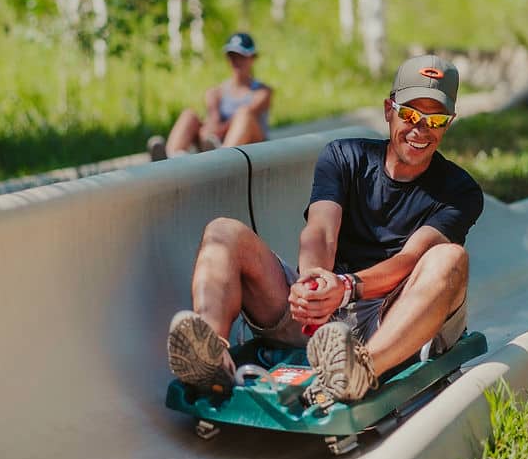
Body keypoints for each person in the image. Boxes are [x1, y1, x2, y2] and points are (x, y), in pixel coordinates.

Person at [166, 54, 483, 403]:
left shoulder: (460, 191)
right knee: (223, 231)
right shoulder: (345, 156)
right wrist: (312, 285)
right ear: (388, 109)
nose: (420, 129)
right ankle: (211, 358)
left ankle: (359, 371)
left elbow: (412, 259)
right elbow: (321, 232)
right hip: (326, 319)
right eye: (410, 114)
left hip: (395, 320)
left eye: (435, 119)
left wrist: (348, 288)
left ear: (448, 123)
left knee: (450, 258)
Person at [147, 32, 272, 161]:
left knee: (244, 114)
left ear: (252, 58)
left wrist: (214, 132)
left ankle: (223, 156)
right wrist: (209, 130)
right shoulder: (216, 92)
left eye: (241, 56)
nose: (236, 61)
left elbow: (244, 117)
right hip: (215, 141)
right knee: (189, 114)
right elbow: (213, 119)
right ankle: (170, 157)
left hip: (250, 145)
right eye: (232, 56)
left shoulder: (263, 92)